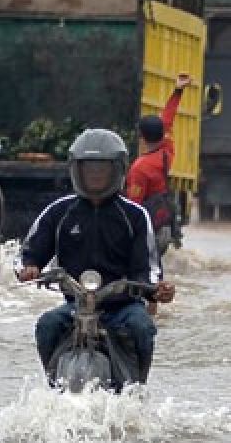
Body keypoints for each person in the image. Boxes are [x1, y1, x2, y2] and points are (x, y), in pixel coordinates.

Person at [19, 128, 176, 384]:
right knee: (47, 325)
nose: (94, 174)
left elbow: (148, 268)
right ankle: (52, 386)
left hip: (123, 306)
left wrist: (155, 289)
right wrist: (29, 267)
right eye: (88, 168)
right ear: (76, 170)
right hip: (76, 304)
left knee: (142, 328)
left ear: (117, 170)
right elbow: (28, 253)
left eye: (101, 168)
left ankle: (138, 389)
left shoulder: (135, 215)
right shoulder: (59, 212)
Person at [126, 72, 190, 235]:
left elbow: (134, 205)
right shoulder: (166, 153)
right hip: (162, 221)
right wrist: (178, 91)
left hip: (148, 227)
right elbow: (168, 119)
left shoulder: (140, 168)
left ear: (141, 137)